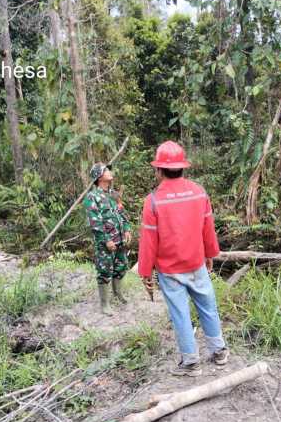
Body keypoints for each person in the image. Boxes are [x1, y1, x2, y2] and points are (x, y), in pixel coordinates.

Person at [138, 141, 229, 377]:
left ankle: (191, 363)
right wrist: (210, 254)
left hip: (169, 269)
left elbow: (149, 240)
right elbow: (208, 227)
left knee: (180, 313)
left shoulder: (153, 200)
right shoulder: (199, 192)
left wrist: (145, 271)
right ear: (182, 167)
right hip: (196, 263)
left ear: (159, 170)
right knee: (208, 307)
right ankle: (219, 353)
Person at [83, 162, 132, 315]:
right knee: (104, 271)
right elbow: (95, 223)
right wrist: (106, 240)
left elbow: (122, 213)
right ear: (99, 176)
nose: (109, 171)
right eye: (105, 170)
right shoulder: (92, 197)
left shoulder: (113, 194)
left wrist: (127, 229)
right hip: (105, 242)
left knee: (121, 266)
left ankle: (118, 294)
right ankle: (105, 304)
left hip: (120, 240)